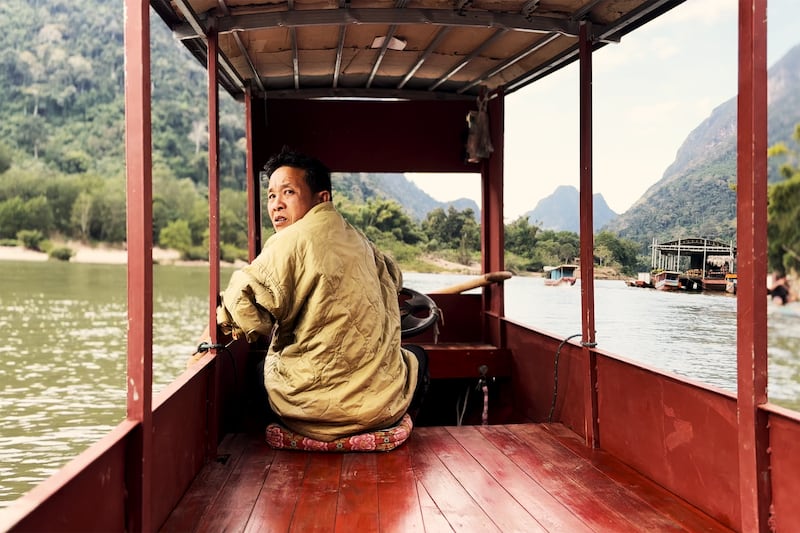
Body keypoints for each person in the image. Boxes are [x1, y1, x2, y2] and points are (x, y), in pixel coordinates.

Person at [213, 148, 426, 442]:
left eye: (288, 192)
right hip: (379, 409)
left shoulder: (287, 241)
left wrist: (222, 319)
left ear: (321, 198)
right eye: (272, 195)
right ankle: (388, 428)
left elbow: (242, 306)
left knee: (261, 368)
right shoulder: (362, 242)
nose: (277, 205)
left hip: (307, 412)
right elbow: (394, 277)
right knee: (416, 358)